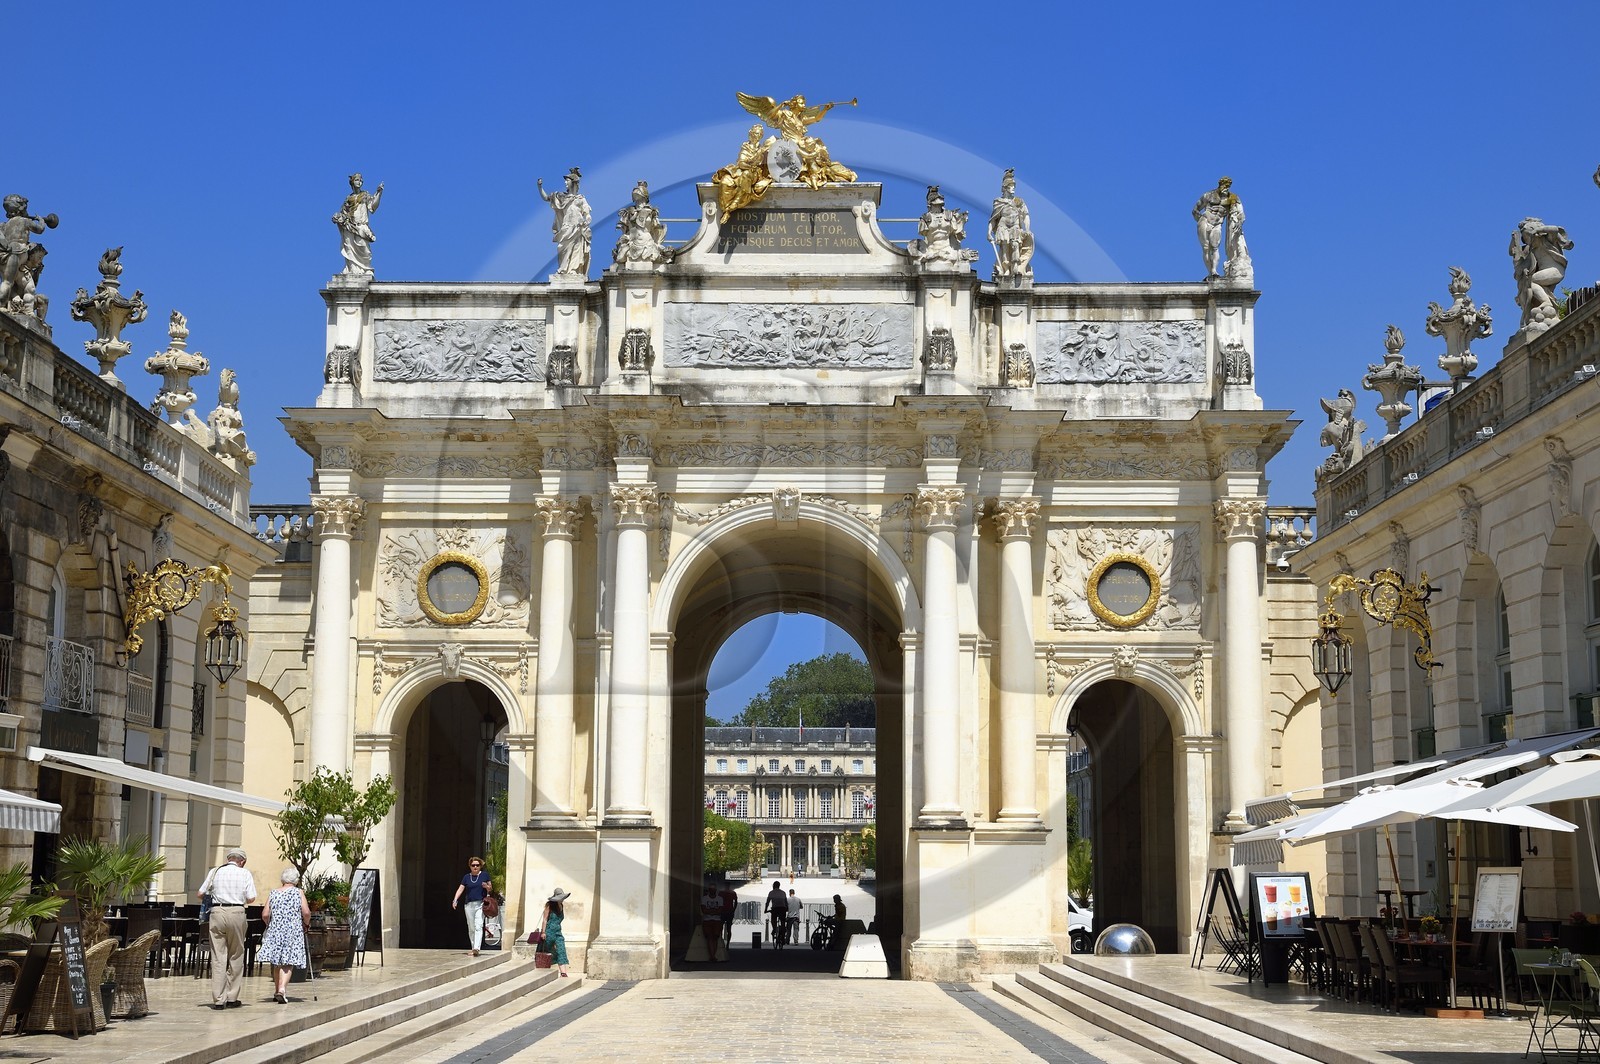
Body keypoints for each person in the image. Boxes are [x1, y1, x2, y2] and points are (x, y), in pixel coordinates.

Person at [196, 847, 257, 1009]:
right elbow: (251, 898)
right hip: (237, 911)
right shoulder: (245, 874)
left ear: (228, 859)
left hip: (216, 912)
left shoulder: (215, 872)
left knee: (218, 955)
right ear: (242, 861)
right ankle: (232, 997)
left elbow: (200, 893)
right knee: (236, 954)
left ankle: (218, 999)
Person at [257, 868, 310, 1004]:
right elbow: (306, 912)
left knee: (277, 962)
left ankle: (277, 991)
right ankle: (281, 989)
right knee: (288, 963)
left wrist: (270, 924)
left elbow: (265, 914)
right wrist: (306, 924)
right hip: (293, 930)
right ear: (296, 881)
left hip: (276, 930)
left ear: (282, 880)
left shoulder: (274, 893)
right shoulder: (298, 892)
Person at [537, 168, 592, 278]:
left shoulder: (580, 199)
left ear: (574, 182)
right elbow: (546, 198)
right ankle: (563, 269)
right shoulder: (561, 197)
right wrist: (540, 187)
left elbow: (587, 212)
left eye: (567, 180)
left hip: (577, 227)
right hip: (566, 227)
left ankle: (573, 270)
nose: (565, 183)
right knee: (561, 247)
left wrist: (587, 219)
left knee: (577, 248)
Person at [332, 173, 383, 277]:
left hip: (361, 226)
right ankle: (351, 269)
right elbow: (343, 212)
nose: (359, 182)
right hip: (349, 225)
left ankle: (367, 269)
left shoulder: (365, 195)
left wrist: (379, 193)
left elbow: (373, 207)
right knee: (349, 247)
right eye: (357, 180)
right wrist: (338, 218)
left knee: (364, 248)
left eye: (360, 180)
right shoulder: (348, 199)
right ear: (352, 182)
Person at [451, 856, 493, 957]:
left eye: (477, 865)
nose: (475, 867)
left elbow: (490, 889)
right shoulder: (466, 877)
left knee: (478, 925)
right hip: (469, 905)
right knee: (471, 927)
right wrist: (455, 900)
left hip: (480, 904)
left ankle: (476, 948)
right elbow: (460, 889)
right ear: (470, 866)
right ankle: (473, 946)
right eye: (473, 865)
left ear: (480, 866)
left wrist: (486, 887)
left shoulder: (485, 875)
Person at [1193, 177, 1232, 279]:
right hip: (1205, 221)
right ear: (1219, 185)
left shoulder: (1231, 199)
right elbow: (1195, 210)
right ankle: (1210, 271)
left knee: (1215, 247)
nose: (1226, 188)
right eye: (1224, 185)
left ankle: (1214, 270)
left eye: (1228, 186)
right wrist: (1201, 219)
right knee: (1206, 248)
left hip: (1218, 224)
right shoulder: (1209, 195)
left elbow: (1236, 213)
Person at [540, 887, 572, 977]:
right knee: (549, 952)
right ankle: (543, 969)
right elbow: (545, 920)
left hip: (558, 931)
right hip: (549, 932)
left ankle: (563, 972)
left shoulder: (561, 906)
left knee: (561, 950)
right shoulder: (549, 906)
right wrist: (543, 932)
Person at [764, 879, 789, 948]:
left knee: (773, 919)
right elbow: (786, 902)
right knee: (783, 922)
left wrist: (765, 910)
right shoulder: (783, 893)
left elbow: (767, 902)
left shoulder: (771, 893)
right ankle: (783, 935)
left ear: (773, 886)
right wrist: (787, 909)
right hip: (782, 908)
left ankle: (774, 928)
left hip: (775, 908)